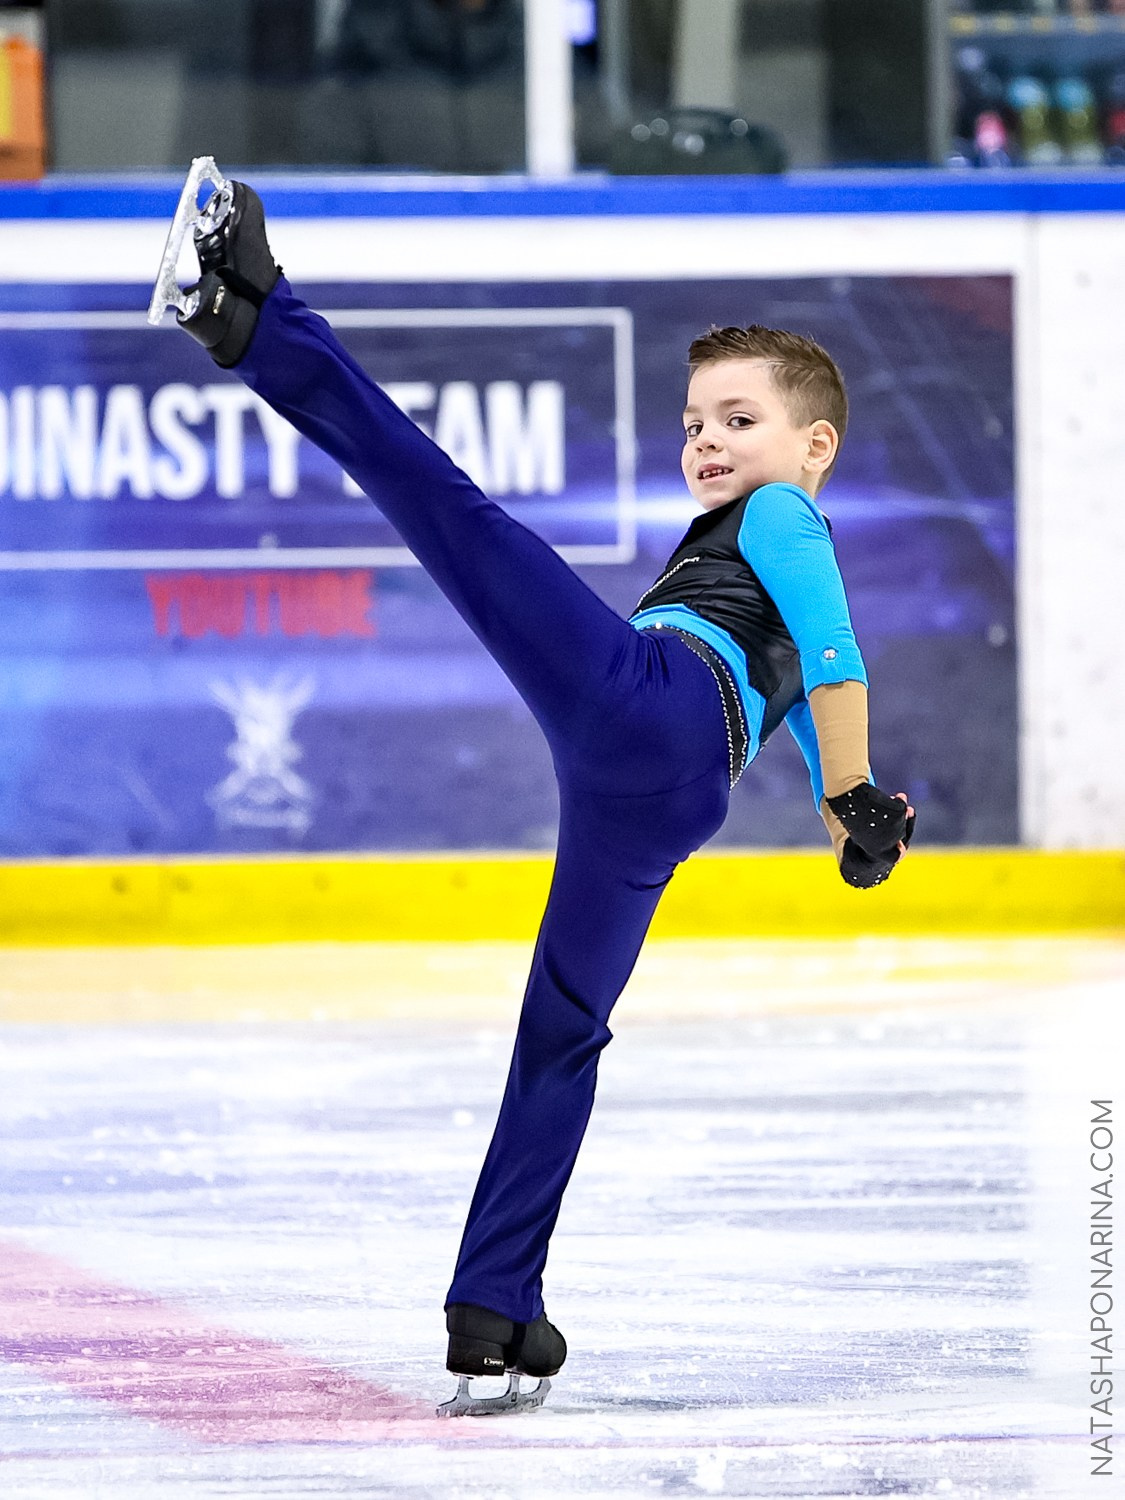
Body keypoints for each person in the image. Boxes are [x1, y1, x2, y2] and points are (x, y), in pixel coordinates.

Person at [166, 181, 916, 1415]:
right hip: (663, 792)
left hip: (646, 706)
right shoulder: (747, 540)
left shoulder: (783, 514)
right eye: (695, 423)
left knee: (449, 509)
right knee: (561, 1035)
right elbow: (804, 697)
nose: (708, 442)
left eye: (739, 419)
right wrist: (857, 821)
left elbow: (834, 658)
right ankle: (495, 1306)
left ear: (815, 447)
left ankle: (254, 317)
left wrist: (852, 786)